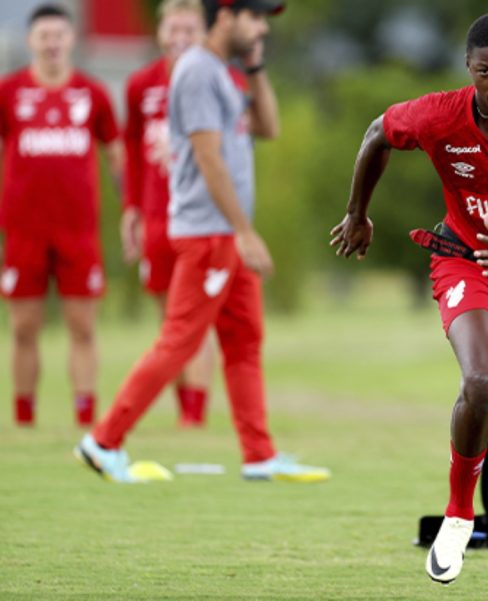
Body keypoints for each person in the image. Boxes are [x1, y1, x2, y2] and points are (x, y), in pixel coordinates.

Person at [331, 13, 488, 598]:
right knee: (481, 381)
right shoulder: (440, 114)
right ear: (468, 68)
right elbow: (377, 133)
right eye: (485, 71)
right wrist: (357, 213)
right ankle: (457, 515)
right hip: (467, 263)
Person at [76, 0, 328, 484]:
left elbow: (268, 127)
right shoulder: (196, 71)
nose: (261, 28)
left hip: (224, 232)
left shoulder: (223, 72)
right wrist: (244, 231)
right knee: (180, 341)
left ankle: (259, 454)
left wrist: (255, 67)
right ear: (225, 16)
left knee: (244, 340)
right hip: (208, 232)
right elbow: (208, 158)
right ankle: (103, 441)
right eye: (254, 18)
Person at [0, 4, 121, 428]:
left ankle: (86, 418)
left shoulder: (92, 93)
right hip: (24, 230)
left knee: (82, 326)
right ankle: (24, 419)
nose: (52, 44)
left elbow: (115, 154)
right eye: (44, 36)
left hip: (78, 231)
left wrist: (131, 208)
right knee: (23, 327)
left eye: (59, 35)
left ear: (71, 39)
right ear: (31, 41)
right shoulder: (9, 92)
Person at [122, 0, 218, 428]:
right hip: (158, 216)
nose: (180, 38)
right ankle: (185, 409)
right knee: (170, 321)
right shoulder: (140, 85)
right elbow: (132, 151)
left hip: (203, 217)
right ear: (160, 32)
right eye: (172, 29)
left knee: (197, 317)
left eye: (188, 30)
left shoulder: (217, 79)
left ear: (203, 33)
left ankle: (194, 415)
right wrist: (131, 209)